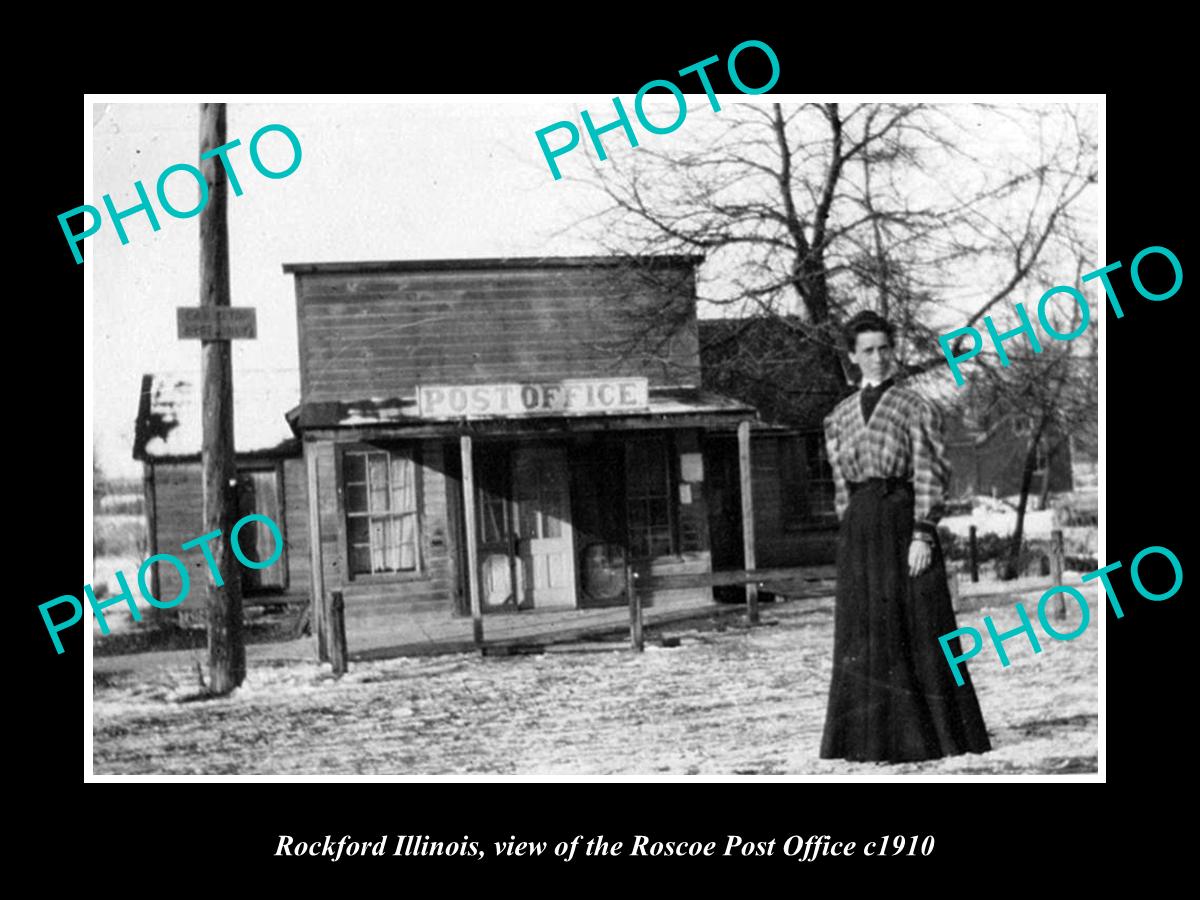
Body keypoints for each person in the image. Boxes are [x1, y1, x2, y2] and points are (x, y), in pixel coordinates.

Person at [819, 310, 991, 763]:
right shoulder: (837, 417)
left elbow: (931, 471)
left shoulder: (916, 406)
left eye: (884, 349)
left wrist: (923, 532)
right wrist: (852, 527)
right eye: (868, 350)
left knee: (918, 624)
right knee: (864, 631)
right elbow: (840, 483)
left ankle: (932, 736)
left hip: (903, 522)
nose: (878, 358)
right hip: (861, 528)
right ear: (853, 357)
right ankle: (867, 740)